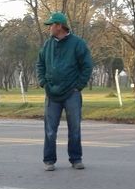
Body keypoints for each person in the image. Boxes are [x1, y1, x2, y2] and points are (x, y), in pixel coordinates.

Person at [37, 12, 93, 171]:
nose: (49, 28)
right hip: (51, 94)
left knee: (74, 128)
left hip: (72, 93)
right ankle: (49, 160)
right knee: (50, 130)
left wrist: (79, 85)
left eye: (51, 25)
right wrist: (43, 82)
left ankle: (76, 159)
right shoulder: (47, 45)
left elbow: (87, 66)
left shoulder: (77, 44)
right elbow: (39, 64)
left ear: (60, 26)